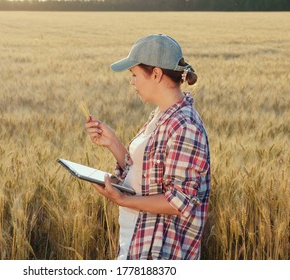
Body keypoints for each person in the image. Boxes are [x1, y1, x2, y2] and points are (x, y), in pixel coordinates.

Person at [84, 34, 210, 260]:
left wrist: (123, 200)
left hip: (161, 252)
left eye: (134, 75)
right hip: (136, 241)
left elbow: (180, 201)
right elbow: (144, 174)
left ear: (156, 74)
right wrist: (112, 142)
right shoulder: (161, 115)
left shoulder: (184, 126)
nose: (132, 82)